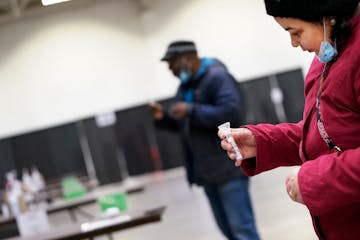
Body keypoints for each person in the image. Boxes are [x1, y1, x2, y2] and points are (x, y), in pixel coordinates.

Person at [218, 1, 360, 240]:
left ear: (328, 18)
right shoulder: (326, 57)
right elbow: (324, 133)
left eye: (296, 32)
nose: (294, 43)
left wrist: (315, 181)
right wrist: (263, 142)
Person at [149, 40, 261, 240]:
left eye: (172, 64)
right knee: (227, 229)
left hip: (228, 168)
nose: (171, 70)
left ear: (187, 59)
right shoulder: (184, 87)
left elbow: (232, 113)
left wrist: (191, 110)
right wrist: (163, 118)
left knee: (242, 229)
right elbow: (184, 125)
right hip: (206, 172)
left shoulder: (217, 77)